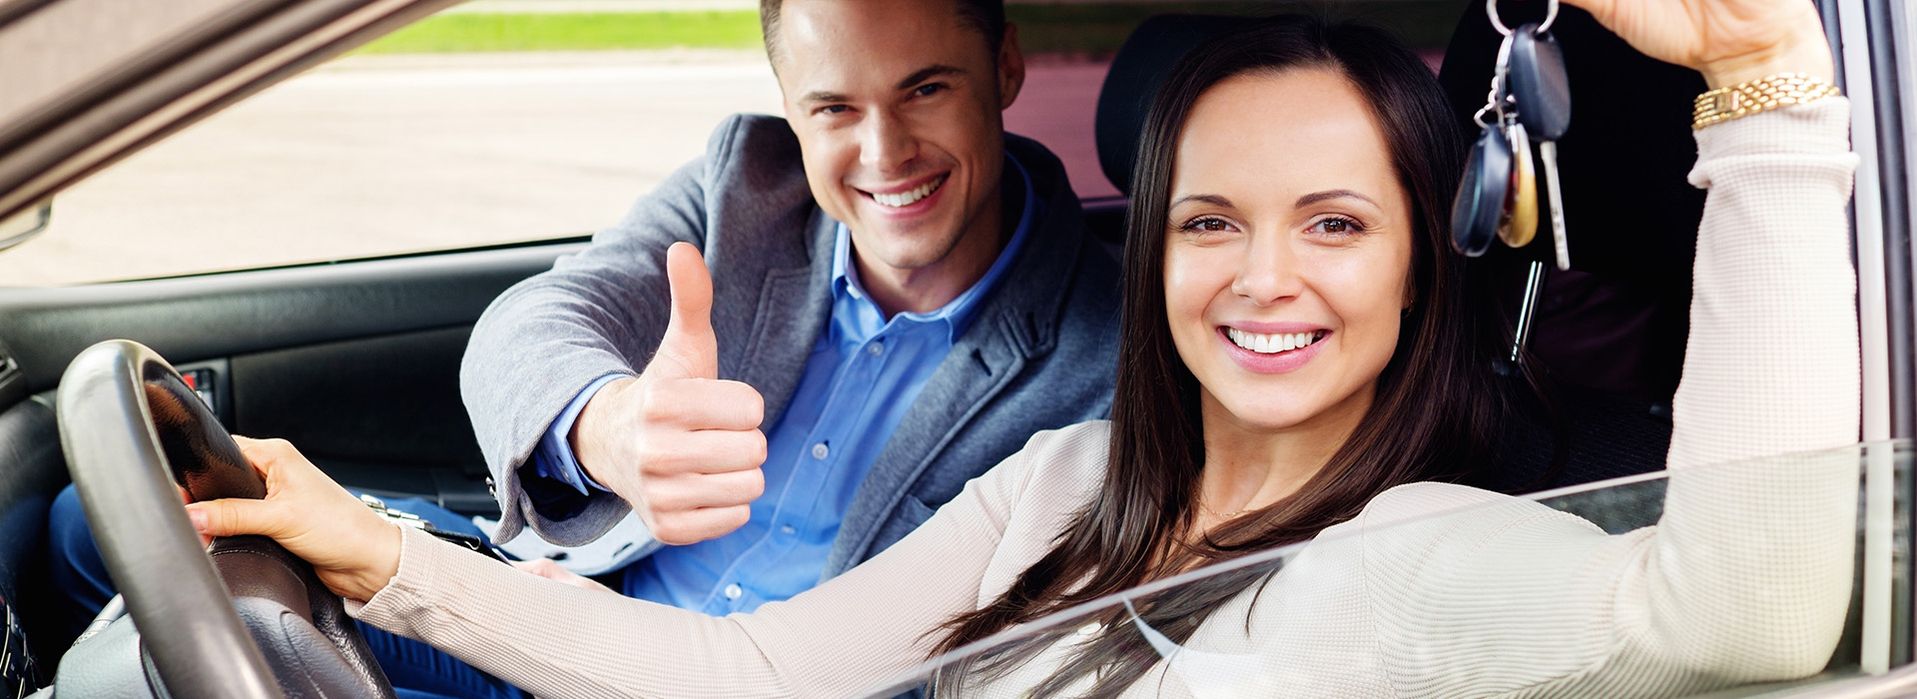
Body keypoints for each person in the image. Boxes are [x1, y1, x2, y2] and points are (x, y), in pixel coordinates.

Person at [186, 0, 1862, 695]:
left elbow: (1736, 608)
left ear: (1425, 264)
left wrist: (1766, 81)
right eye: (1210, 219)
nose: (1261, 276)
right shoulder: (1078, 475)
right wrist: (381, 551)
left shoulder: (1411, 553)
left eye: (1335, 222)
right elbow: (762, 675)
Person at [44, 0, 1120, 696]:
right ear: (788, 107)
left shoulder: (1106, 358)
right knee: (111, 514)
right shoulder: (750, 188)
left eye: (925, 89)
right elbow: (531, 325)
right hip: (539, 606)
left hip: (705, 680)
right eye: (834, 105)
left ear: (1008, 64)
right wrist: (607, 429)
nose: (883, 152)